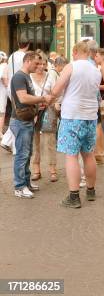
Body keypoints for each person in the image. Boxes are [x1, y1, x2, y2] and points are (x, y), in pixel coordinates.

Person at [51, 41, 102, 208]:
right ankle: (91, 190)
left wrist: (50, 98)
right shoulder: (96, 71)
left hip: (72, 115)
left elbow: (57, 89)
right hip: (90, 116)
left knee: (71, 155)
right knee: (88, 154)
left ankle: (73, 197)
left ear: (75, 51)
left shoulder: (71, 67)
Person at [10, 51, 54, 198]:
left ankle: (25, 182)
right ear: (28, 61)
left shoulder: (25, 76)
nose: (38, 66)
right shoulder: (19, 77)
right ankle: (19, 186)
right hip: (21, 121)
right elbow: (22, 98)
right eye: (36, 63)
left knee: (27, 154)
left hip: (26, 120)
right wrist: (41, 98)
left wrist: (38, 103)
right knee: (22, 155)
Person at [31, 52, 58, 182]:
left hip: (48, 111)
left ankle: (53, 170)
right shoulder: (28, 77)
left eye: (43, 64)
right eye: (38, 64)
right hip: (33, 112)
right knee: (35, 141)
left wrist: (48, 101)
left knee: (50, 141)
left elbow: (55, 93)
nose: (41, 66)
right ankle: (36, 169)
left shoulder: (50, 76)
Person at [1, 41, 30, 154]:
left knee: (16, 114)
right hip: (20, 88)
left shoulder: (12, 55)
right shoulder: (25, 57)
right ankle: (13, 146)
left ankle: (7, 141)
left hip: (10, 88)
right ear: (28, 45)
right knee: (18, 116)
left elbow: (7, 73)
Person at [0, 51, 8, 138]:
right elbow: (4, 79)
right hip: (2, 92)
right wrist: (8, 86)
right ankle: (0, 132)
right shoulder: (4, 66)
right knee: (1, 113)